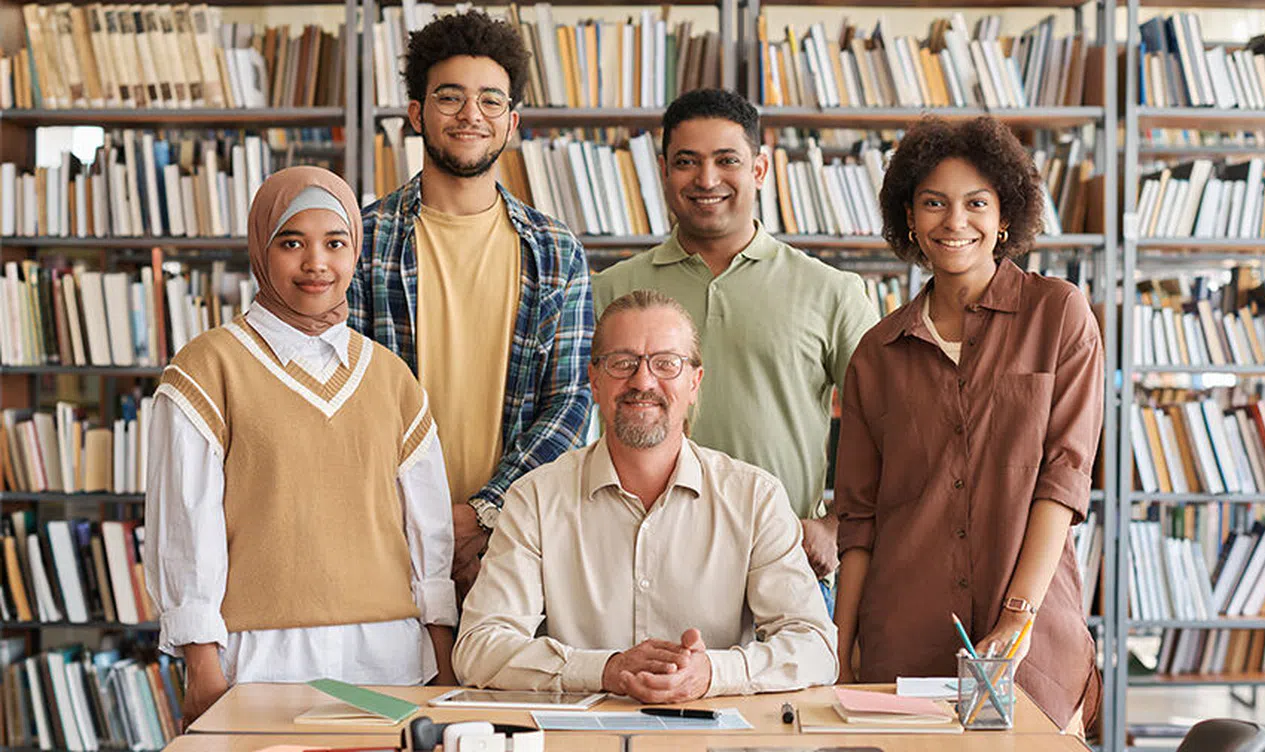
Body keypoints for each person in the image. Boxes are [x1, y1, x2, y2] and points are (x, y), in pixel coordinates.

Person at [145, 166, 457, 725]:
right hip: (260, 660)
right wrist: (201, 663)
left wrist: (441, 656)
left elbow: (428, 532)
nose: (317, 263)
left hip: (389, 657)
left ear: (355, 252)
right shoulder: (206, 367)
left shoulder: (392, 377)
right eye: (292, 243)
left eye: (335, 243)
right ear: (261, 252)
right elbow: (186, 525)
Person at [832, 117, 1103, 734]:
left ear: (1005, 215)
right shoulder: (877, 353)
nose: (955, 222)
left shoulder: (1059, 314)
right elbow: (859, 519)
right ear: (910, 218)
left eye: (976, 202)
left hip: (1032, 649)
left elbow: (1063, 479)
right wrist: (840, 650)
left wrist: (1017, 617)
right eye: (934, 203)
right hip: (902, 645)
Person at [453, 290, 837, 700]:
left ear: (694, 382)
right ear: (594, 382)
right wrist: (605, 669)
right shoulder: (535, 498)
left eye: (666, 364)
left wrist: (713, 674)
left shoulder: (754, 498)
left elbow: (816, 647)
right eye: (623, 363)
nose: (643, 381)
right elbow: (479, 649)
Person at [592, 89, 878, 609]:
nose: (706, 180)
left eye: (727, 160)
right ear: (663, 171)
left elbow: (892, 422)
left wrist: (839, 525)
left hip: (786, 560)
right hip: (638, 561)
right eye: (687, 162)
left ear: (761, 169)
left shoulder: (832, 291)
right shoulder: (610, 291)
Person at [351, 10, 593, 598]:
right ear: (417, 114)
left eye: (490, 101)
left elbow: (570, 403)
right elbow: (342, 398)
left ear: (512, 123)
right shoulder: (361, 240)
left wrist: (482, 512)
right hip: (380, 535)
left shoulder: (557, 250)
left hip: (515, 540)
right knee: (389, 692)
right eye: (450, 98)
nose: (470, 116)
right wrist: (421, 517)